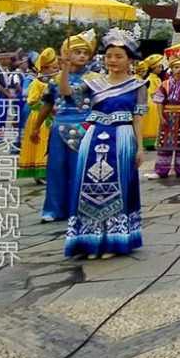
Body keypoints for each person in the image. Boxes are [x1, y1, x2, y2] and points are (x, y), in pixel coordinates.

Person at [63, 29, 146, 259]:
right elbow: (67, 93)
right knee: (87, 187)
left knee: (119, 186)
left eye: (119, 56)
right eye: (109, 56)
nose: (113, 61)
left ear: (130, 59)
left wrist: (140, 147)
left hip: (122, 136)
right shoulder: (93, 84)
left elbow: (137, 118)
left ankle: (113, 241)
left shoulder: (137, 86)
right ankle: (90, 240)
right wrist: (65, 68)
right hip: (94, 137)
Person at [35, 30, 97, 223]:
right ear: (66, 53)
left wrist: (64, 71)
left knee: (79, 169)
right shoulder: (53, 80)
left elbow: (67, 91)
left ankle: (78, 207)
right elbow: (47, 104)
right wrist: (36, 127)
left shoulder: (93, 78)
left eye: (85, 53)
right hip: (58, 127)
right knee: (55, 169)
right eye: (77, 52)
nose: (82, 56)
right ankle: (53, 209)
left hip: (84, 126)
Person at [150, 55, 180, 178]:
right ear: (172, 68)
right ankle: (160, 170)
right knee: (164, 143)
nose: (178, 70)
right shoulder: (164, 84)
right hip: (167, 116)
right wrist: (161, 117)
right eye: (176, 67)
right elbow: (159, 102)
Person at [18, 48, 59, 184]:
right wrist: (47, 107)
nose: (56, 70)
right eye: (54, 68)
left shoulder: (55, 82)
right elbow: (32, 101)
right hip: (40, 117)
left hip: (53, 117)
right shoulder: (37, 83)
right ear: (45, 68)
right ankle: (40, 172)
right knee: (41, 143)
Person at [140, 54, 165, 151]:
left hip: (157, 102)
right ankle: (149, 143)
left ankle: (153, 142)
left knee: (155, 123)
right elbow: (149, 92)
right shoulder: (149, 79)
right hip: (152, 102)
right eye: (158, 67)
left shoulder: (157, 78)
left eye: (160, 67)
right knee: (151, 123)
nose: (160, 69)